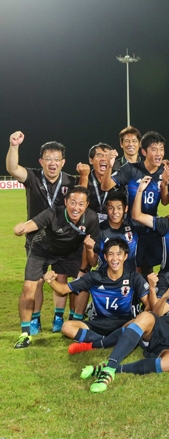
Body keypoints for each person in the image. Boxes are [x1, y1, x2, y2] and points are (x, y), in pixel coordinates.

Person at [76, 262, 169, 393]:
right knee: (146, 316)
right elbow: (157, 312)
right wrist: (166, 296)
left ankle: (112, 369)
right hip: (162, 327)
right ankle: (109, 369)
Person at [6, 132, 89, 334]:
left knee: (61, 278)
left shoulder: (70, 181)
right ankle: (34, 320)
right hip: (37, 240)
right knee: (38, 281)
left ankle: (58, 318)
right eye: (48, 159)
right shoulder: (33, 176)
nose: (52, 163)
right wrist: (14, 146)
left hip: (63, 240)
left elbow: (82, 200)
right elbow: (12, 168)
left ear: (63, 162)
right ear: (41, 161)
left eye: (57, 159)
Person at [13, 186, 100, 348]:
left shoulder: (91, 218)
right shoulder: (53, 213)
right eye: (73, 202)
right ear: (66, 202)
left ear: (87, 205)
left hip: (70, 253)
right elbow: (32, 224)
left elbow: (92, 254)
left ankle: (75, 323)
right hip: (42, 251)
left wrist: (85, 264)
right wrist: (22, 228)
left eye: (81, 204)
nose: (76, 207)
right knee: (28, 287)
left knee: (84, 282)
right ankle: (25, 333)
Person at [43, 239, 151, 346]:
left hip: (125, 323)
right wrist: (50, 281)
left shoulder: (134, 277)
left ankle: (101, 341)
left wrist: (138, 319)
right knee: (66, 326)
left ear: (125, 257)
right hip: (98, 323)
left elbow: (148, 305)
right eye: (110, 254)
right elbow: (63, 290)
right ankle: (106, 340)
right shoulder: (95, 277)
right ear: (105, 257)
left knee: (140, 324)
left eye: (119, 254)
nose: (115, 258)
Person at [102, 131, 169, 274]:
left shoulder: (165, 171)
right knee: (132, 268)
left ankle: (148, 293)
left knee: (148, 267)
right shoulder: (131, 169)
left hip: (151, 227)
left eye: (161, 149)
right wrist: (109, 166)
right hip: (131, 226)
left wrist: (165, 184)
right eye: (154, 149)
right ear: (144, 151)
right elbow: (106, 186)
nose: (159, 153)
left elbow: (165, 202)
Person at [88, 191, 145, 273]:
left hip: (129, 278)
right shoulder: (99, 230)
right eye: (111, 208)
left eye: (119, 208)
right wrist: (89, 249)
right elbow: (93, 263)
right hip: (105, 278)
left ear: (125, 209)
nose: (115, 212)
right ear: (106, 208)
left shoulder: (134, 226)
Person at [85, 142, 115, 221]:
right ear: (91, 160)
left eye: (107, 156)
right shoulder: (84, 179)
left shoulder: (117, 179)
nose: (104, 158)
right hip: (89, 225)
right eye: (99, 155)